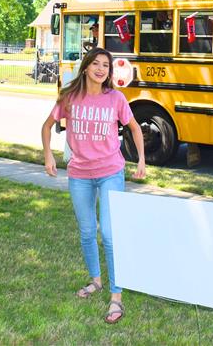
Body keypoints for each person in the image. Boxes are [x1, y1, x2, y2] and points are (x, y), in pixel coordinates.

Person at [41, 47, 146, 324]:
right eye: (96, 64)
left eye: (106, 66)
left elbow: (134, 127)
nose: (102, 69)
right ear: (86, 67)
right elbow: (47, 126)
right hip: (79, 174)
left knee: (110, 234)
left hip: (111, 171)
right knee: (87, 231)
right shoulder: (70, 98)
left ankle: (116, 296)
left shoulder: (116, 99)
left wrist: (142, 161)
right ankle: (96, 281)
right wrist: (48, 154)